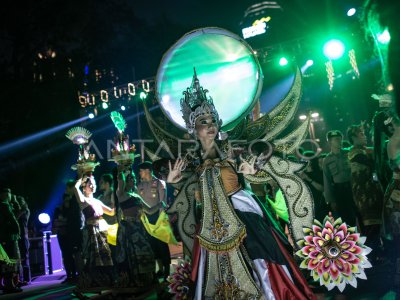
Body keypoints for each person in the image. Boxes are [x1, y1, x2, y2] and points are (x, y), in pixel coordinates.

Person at [166, 71, 315, 299]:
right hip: (210, 223)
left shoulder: (230, 149)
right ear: (192, 128)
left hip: (240, 212)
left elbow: (263, 150)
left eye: (213, 120)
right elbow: (190, 192)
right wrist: (173, 182)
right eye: (203, 122)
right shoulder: (191, 159)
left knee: (258, 257)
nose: (210, 125)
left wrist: (254, 167)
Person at [347, 124, 384, 259]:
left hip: (371, 193)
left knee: (375, 224)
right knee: (370, 225)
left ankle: (376, 253)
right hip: (364, 195)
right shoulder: (355, 153)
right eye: (361, 134)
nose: (365, 137)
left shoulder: (363, 151)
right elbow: (373, 163)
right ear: (353, 138)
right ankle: (372, 256)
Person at [73, 175, 115, 288]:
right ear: (84, 188)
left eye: (93, 183)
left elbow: (111, 212)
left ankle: (105, 280)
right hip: (91, 232)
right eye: (89, 184)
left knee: (105, 256)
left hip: (102, 231)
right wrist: (81, 177)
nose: (92, 186)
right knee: (93, 258)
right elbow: (75, 189)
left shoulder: (97, 201)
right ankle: (91, 281)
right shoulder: (83, 200)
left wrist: (117, 197)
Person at [115, 168, 155, 287]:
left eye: (133, 177)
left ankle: (146, 280)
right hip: (128, 229)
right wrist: (121, 168)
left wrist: (161, 204)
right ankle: (133, 281)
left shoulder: (136, 195)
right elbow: (120, 180)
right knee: (131, 254)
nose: (132, 180)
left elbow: (149, 210)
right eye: (129, 178)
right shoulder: (121, 194)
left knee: (146, 251)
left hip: (139, 227)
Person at [137, 161, 171, 280]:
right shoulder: (139, 186)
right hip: (146, 218)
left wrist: (162, 219)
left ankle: (167, 269)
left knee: (161, 244)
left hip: (158, 217)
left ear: (147, 170)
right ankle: (159, 269)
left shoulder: (159, 183)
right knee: (152, 244)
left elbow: (163, 202)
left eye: (141, 171)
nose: (139, 173)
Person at [322, 130, 358, 226]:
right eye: (336, 139)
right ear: (330, 142)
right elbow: (327, 181)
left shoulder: (349, 153)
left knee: (359, 214)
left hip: (354, 187)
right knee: (345, 218)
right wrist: (331, 200)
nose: (340, 141)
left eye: (340, 139)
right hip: (340, 191)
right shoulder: (327, 160)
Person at [53, 180, 83, 283]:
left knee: (76, 254)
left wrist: (63, 222)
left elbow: (74, 219)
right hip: (65, 234)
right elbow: (56, 222)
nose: (66, 191)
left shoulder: (75, 201)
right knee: (67, 255)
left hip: (74, 232)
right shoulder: (60, 209)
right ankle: (71, 275)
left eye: (67, 188)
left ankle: (79, 276)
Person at [0, 188, 22, 294]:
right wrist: (17, 232)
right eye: (9, 194)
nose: (10, 196)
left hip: (3, 238)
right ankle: (10, 285)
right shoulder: (4, 205)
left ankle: (6, 284)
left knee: (4, 261)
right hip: (8, 237)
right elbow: (13, 220)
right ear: (5, 195)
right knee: (10, 261)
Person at [300, 151, 329, 222]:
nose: (303, 161)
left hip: (318, 205)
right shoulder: (301, 174)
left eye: (305, 159)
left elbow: (322, 188)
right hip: (306, 206)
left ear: (311, 161)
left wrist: (308, 179)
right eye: (302, 159)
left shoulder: (318, 173)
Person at [15, 196, 31, 285]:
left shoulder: (25, 210)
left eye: (19, 201)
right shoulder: (21, 210)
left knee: (24, 258)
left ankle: (26, 279)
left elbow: (16, 217)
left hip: (24, 237)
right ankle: (20, 278)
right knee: (19, 259)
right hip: (20, 236)